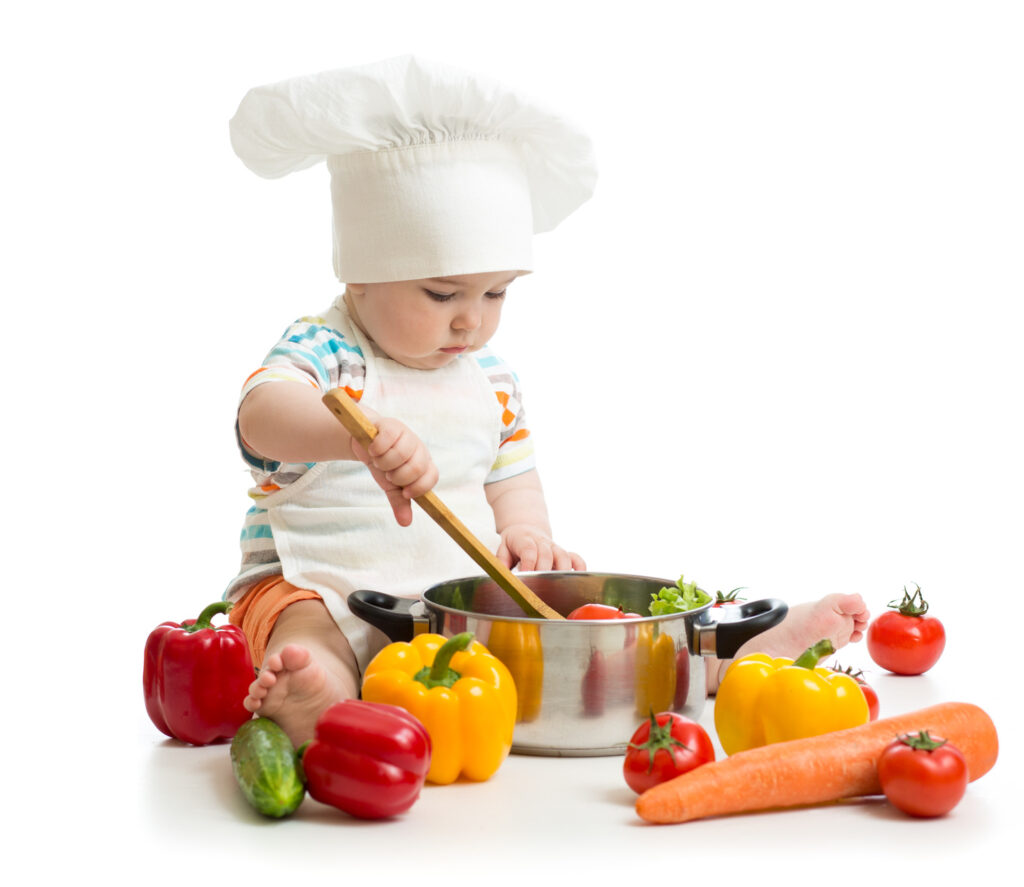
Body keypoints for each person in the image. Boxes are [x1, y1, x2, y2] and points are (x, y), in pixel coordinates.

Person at [224, 56, 870, 747]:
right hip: (314, 582)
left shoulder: (491, 379)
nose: (471, 320)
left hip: (450, 601)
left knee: (571, 641)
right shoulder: (327, 350)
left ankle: (733, 653)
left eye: (496, 292)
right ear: (359, 274)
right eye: (443, 295)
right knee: (311, 629)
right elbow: (259, 415)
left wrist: (527, 534)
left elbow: (512, 478)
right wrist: (350, 433)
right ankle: (315, 686)